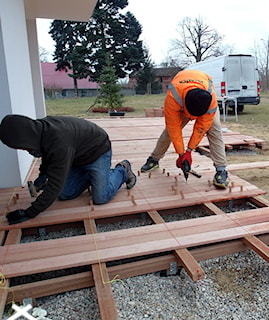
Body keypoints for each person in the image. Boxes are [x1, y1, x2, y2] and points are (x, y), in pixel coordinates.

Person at [0, 114, 136, 225]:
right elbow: (48, 155)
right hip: (75, 156)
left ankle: (122, 169)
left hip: (97, 152)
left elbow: (55, 186)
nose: (24, 150)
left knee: (101, 197)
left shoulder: (59, 143)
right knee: (65, 194)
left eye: (21, 147)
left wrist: (30, 212)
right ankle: (95, 177)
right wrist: (43, 174)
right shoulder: (38, 131)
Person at [140, 69, 229, 189]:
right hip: (181, 101)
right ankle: (154, 159)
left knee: (215, 130)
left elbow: (201, 128)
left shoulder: (210, 101)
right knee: (169, 133)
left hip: (202, 103)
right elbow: (174, 129)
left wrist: (189, 151)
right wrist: (181, 153)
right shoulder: (173, 97)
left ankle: (221, 170)